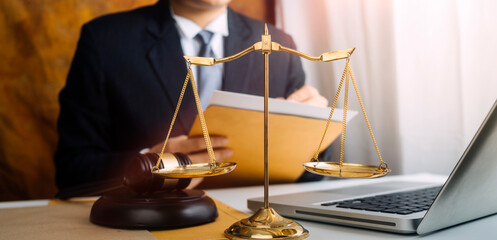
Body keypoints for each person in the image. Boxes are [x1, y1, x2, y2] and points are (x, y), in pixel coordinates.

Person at [54, 0, 329, 191]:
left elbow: (308, 174)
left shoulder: (279, 43)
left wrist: (310, 134)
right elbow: (72, 171)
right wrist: (149, 161)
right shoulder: (105, 40)